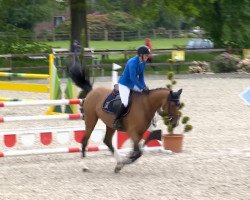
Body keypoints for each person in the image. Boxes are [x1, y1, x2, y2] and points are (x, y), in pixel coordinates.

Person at [113, 45, 151, 129]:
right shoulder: (132, 62)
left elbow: (141, 76)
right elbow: (133, 78)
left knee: (146, 94)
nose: (148, 57)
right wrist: (141, 87)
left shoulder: (143, 62)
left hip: (133, 83)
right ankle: (117, 120)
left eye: (148, 55)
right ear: (141, 55)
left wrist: (144, 86)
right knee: (125, 102)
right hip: (125, 84)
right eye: (146, 55)